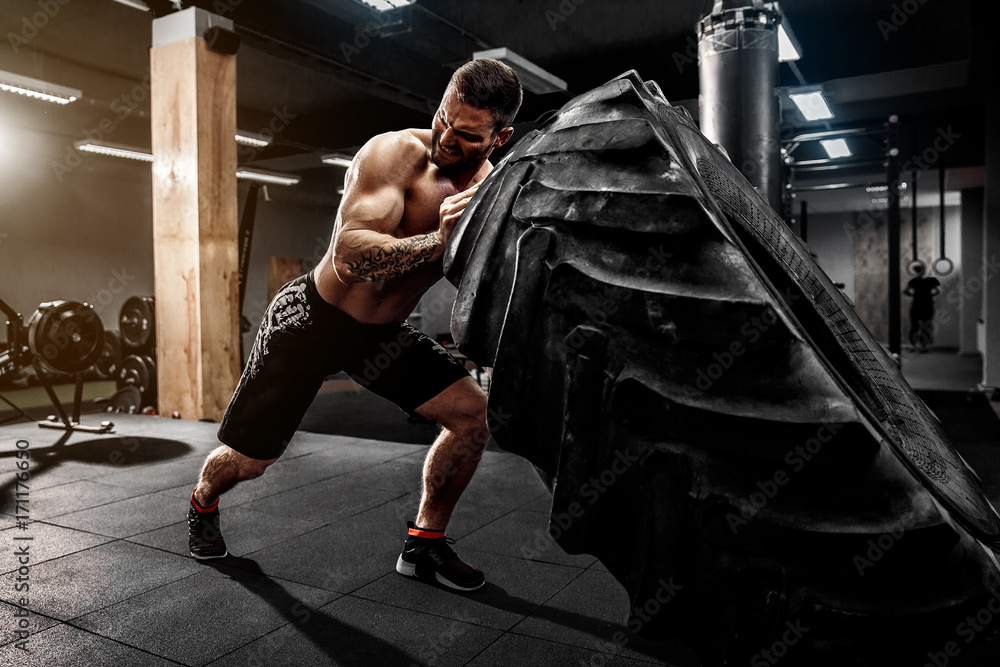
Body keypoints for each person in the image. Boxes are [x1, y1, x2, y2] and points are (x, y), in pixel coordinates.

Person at [187, 58, 521, 592]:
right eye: (442, 119)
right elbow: (351, 257)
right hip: (310, 319)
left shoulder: (490, 192)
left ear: (499, 137)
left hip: (380, 337)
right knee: (251, 461)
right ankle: (202, 500)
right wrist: (440, 239)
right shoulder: (394, 155)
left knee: (472, 417)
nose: (445, 139)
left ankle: (425, 546)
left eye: (466, 135)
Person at [903, 264, 940, 351]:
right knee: (925, 325)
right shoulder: (930, 280)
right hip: (927, 305)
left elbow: (906, 291)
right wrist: (929, 296)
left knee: (915, 326)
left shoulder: (915, 281)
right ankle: (923, 346)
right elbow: (937, 291)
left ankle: (914, 345)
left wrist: (915, 295)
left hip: (918, 305)